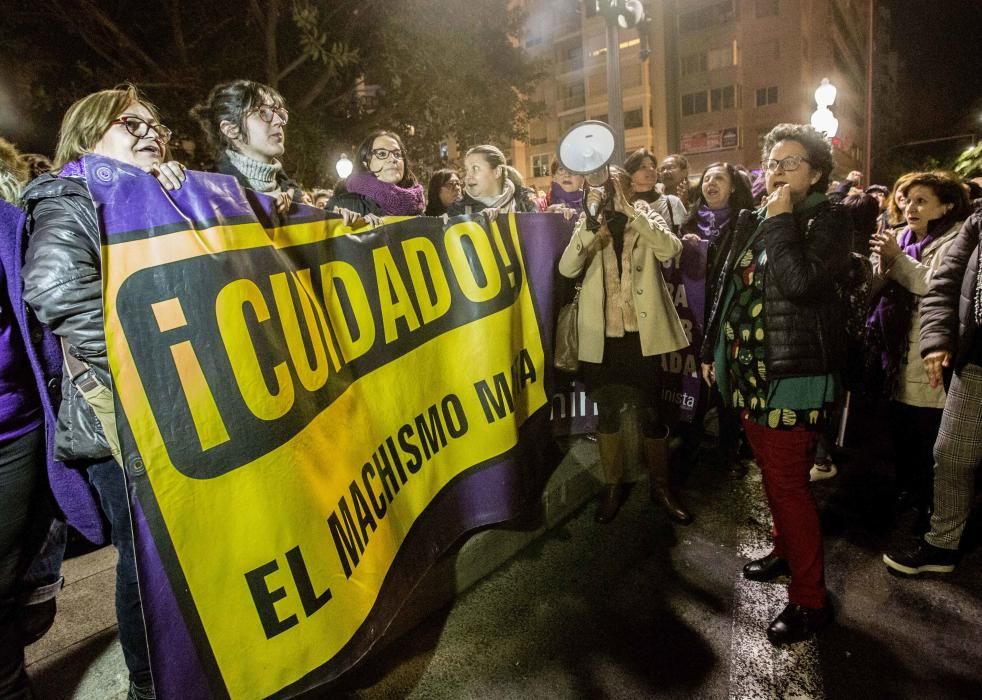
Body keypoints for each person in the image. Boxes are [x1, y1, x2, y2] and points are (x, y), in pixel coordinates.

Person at [21, 84, 188, 700]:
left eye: (156, 125)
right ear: (88, 134)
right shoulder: (71, 194)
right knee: (147, 564)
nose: (151, 133)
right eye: (131, 123)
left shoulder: (154, 191)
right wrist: (152, 355)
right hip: (112, 417)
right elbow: (56, 288)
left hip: (167, 405)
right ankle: (149, 686)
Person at [701, 123, 851, 646]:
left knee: (788, 481)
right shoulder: (753, 217)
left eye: (792, 162)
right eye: (773, 161)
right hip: (749, 370)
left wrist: (783, 221)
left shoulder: (830, 221)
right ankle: (785, 550)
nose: (779, 172)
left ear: (816, 173)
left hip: (795, 375)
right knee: (769, 469)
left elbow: (801, 281)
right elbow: (726, 290)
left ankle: (810, 600)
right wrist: (709, 353)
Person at [558, 165, 691, 525]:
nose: (607, 188)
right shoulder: (589, 221)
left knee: (651, 412)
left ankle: (661, 488)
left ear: (627, 186)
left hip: (641, 337)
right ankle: (613, 486)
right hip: (601, 337)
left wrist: (633, 211)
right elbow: (568, 268)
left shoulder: (645, 214)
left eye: (614, 181)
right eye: (600, 183)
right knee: (608, 412)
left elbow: (670, 249)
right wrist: (589, 221)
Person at [866, 172, 970, 529]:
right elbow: (876, 286)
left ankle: (931, 500)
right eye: (907, 199)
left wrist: (898, 261)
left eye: (922, 201)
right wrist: (879, 264)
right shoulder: (898, 236)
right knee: (901, 427)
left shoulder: (958, 241)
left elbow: (938, 287)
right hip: (895, 351)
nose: (910, 207)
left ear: (947, 206)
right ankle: (907, 489)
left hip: (931, 350)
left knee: (929, 432)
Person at [883, 210, 982, 575]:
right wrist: (937, 342)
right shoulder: (978, 222)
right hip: (976, 358)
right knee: (952, 453)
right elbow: (944, 284)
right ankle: (942, 545)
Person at [677, 162, 755, 478]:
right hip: (695, 314)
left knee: (726, 386)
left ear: (732, 187)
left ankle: (729, 450)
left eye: (719, 178)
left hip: (729, 313)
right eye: (707, 178)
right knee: (694, 381)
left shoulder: (745, 223)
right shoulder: (689, 222)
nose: (711, 183)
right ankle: (690, 445)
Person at [190, 79, 298, 214]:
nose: (278, 121)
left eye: (279, 113)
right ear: (230, 129)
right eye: (263, 112)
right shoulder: (208, 197)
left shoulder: (296, 198)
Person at [327, 130, 425, 218]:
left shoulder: (417, 210)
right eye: (382, 154)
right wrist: (338, 221)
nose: (393, 159)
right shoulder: (342, 205)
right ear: (365, 163)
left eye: (397, 154)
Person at [448, 145, 539, 217]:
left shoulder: (525, 202)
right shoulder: (457, 210)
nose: (468, 176)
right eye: (467, 170)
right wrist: (479, 220)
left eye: (475, 168)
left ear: (497, 172)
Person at [623, 148, 686, 233]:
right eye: (643, 167)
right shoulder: (625, 206)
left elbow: (683, 235)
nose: (651, 169)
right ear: (631, 174)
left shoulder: (672, 202)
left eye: (653, 166)